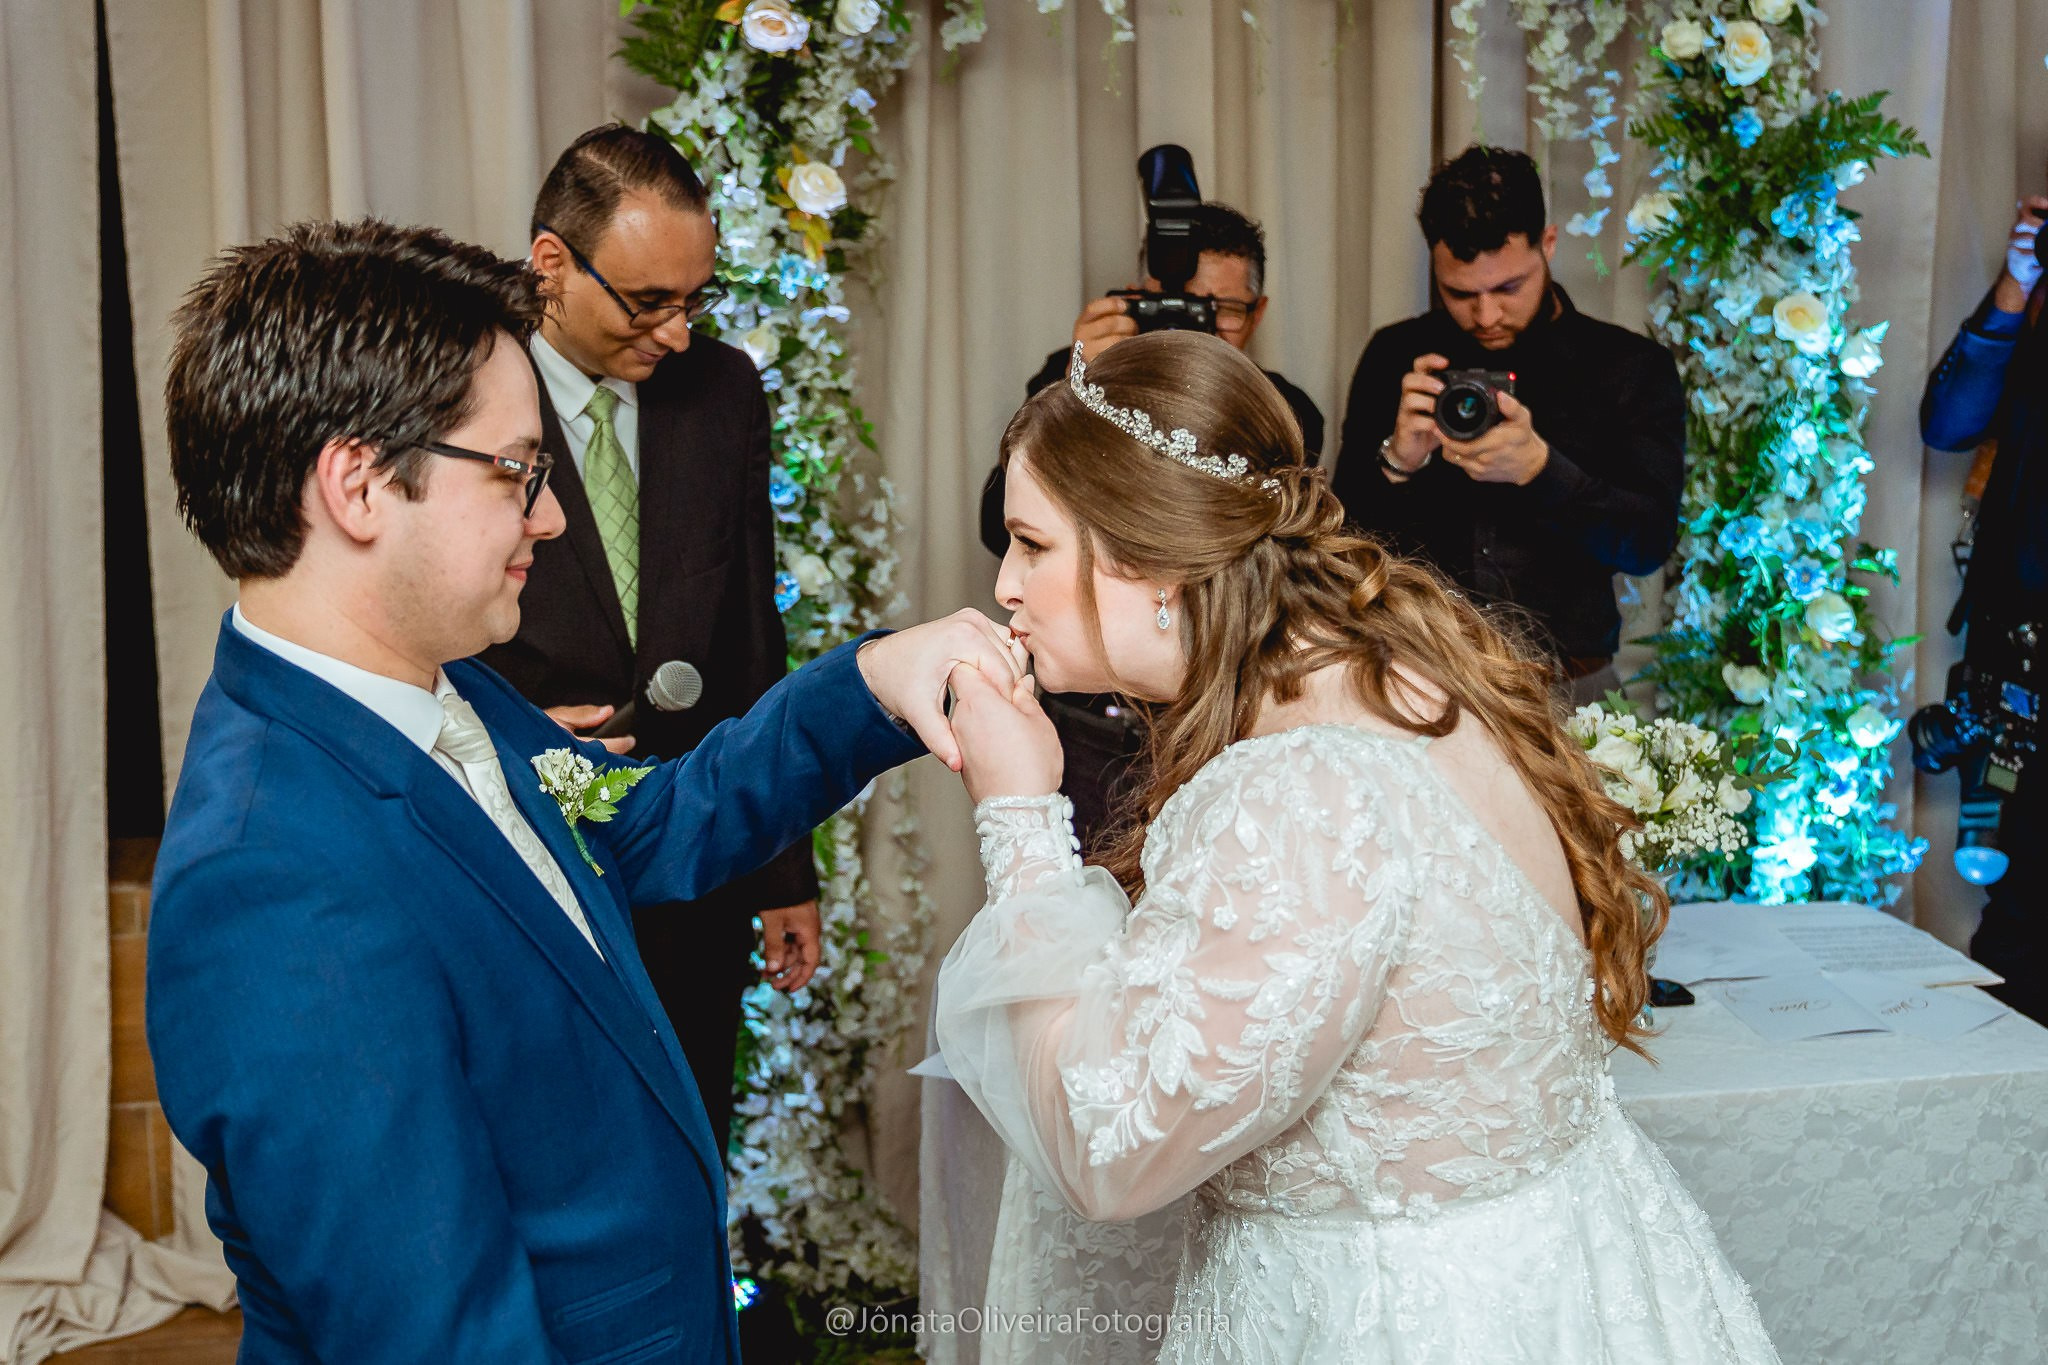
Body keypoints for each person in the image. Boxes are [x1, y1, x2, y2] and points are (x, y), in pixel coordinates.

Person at [145, 217, 1022, 1363]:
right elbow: (438, 1337)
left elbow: (643, 827)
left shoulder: (445, 682)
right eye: (517, 472)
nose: (550, 516)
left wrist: (867, 684)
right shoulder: (271, 883)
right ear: (358, 485)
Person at [930, 330, 1777, 1363]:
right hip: (1563, 1277)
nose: (1005, 585)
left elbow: (1104, 1154)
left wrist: (1018, 811)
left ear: (1149, 556)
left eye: (1031, 543)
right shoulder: (1397, 672)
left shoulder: (1298, 792)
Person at [476, 124, 817, 1150]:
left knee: (687, 1143)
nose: (675, 333)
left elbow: (751, 631)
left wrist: (780, 868)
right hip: (519, 851)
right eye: (646, 301)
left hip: (690, 857)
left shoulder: (723, 391)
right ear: (550, 262)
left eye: (694, 300)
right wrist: (510, 739)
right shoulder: (457, 385)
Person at [978, 202, 1321, 857]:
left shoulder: (1281, 411)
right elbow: (1002, 520)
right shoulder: (1079, 379)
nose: (1194, 322)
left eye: (1221, 308)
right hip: (1094, 722)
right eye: (1176, 302)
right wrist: (1080, 384)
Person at [1331, 146, 1685, 703]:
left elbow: (1647, 544)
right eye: (1460, 293)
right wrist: (1397, 462)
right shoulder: (1397, 355)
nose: (1486, 315)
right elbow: (1339, 549)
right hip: (1413, 683)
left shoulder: (1627, 367)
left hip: (1569, 686)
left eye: (1508, 288)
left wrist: (1542, 470)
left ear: (1548, 244)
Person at [1919, 185, 2048, 1024]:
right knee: (2017, 932)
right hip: (2016, 672)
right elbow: (1947, 422)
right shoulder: (2031, 317)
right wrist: (2017, 282)